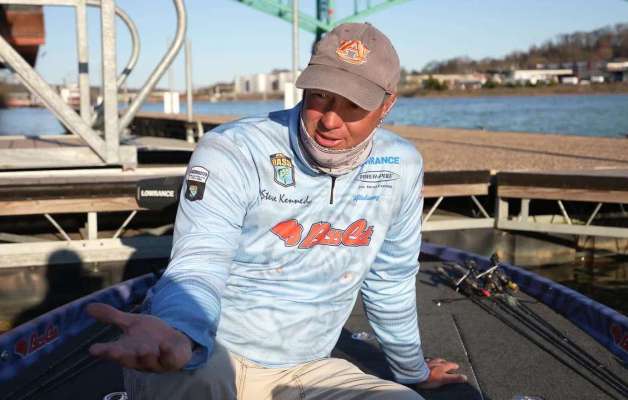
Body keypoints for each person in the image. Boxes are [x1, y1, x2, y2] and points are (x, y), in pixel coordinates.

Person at [87, 22, 467, 399]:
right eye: (320, 95)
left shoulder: (400, 165)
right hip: (207, 353)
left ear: (387, 105)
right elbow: (200, 260)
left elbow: (390, 279)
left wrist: (413, 372)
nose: (330, 120)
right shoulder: (232, 150)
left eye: (354, 105)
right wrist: (180, 334)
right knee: (192, 384)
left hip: (308, 368)